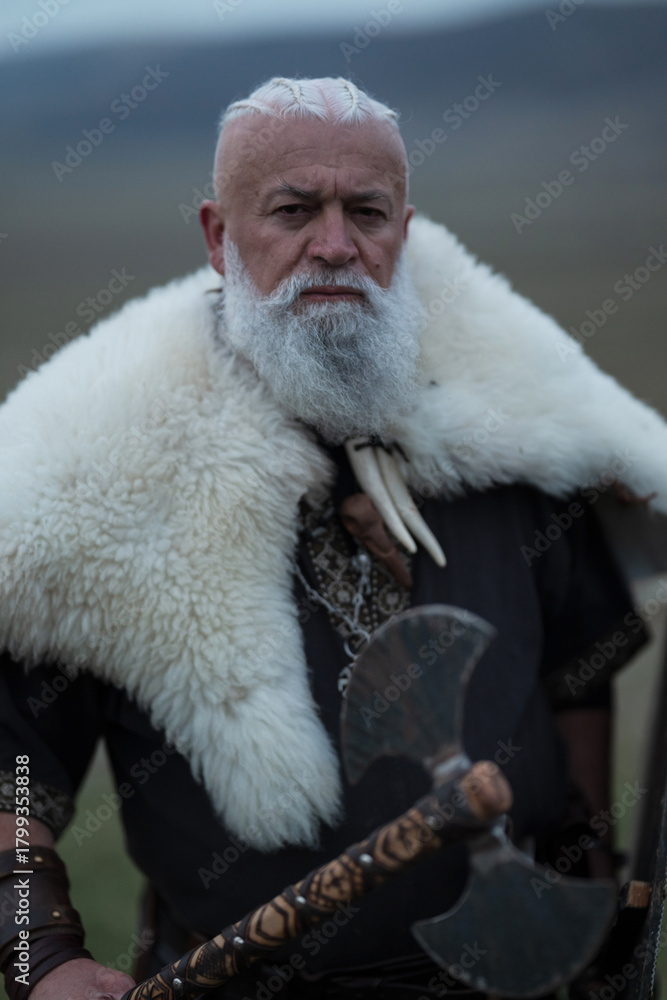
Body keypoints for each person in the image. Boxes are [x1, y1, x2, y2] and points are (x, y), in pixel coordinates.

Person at [0, 76, 665, 1000]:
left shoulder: (509, 423)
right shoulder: (90, 471)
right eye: (293, 210)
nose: (336, 246)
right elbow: (15, 756)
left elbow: (578, 668)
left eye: (367, 212)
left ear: (405, 226)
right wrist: (37, 951)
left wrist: (589, 877)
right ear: (218, 235)